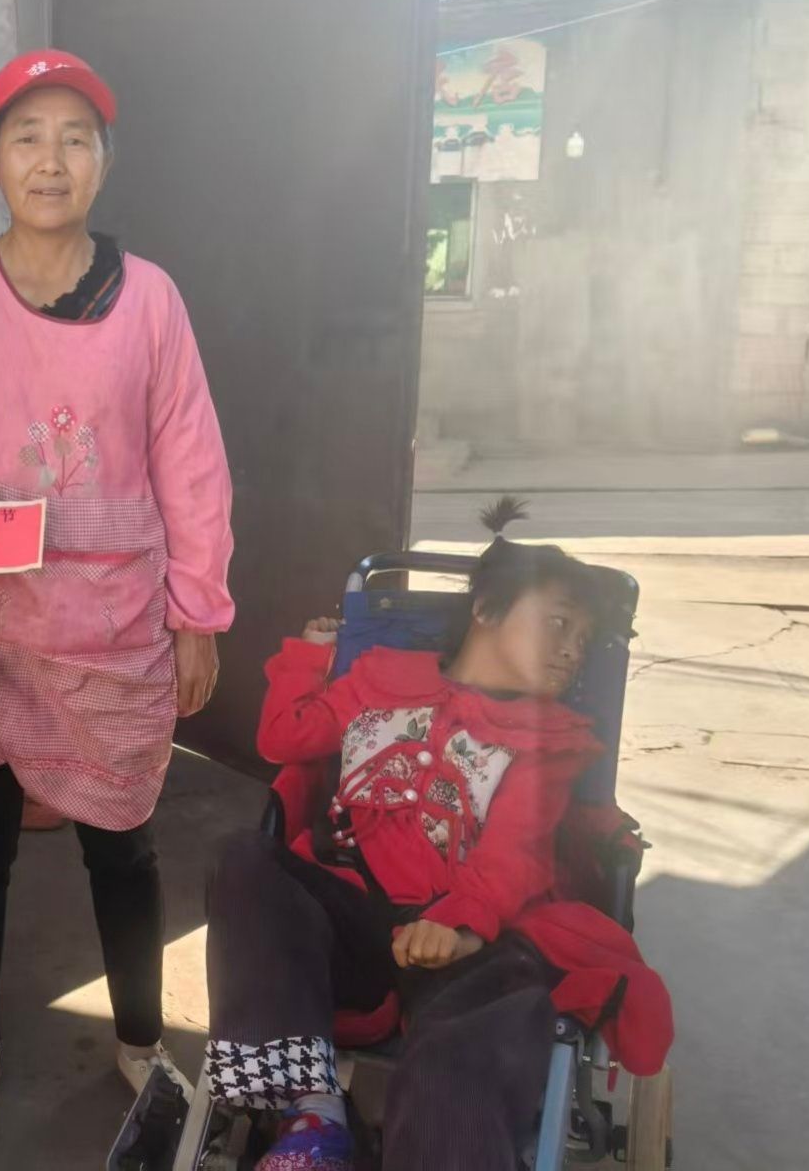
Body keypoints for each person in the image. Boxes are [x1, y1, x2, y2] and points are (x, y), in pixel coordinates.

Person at [0, 48, 235, 1166]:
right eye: (28, 136)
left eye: (75, 137)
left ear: (105, 160)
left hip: (114, 630)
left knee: (122, 848)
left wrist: (196, 611)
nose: (51, 159)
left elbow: (191, 464)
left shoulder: (150, 299)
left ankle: (139, 1039)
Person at [203, 501, 672, 1171]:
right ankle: (313, 1115)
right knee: (246, 859)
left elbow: (514, 853)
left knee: (469, 1044)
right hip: (354, 919)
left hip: (477, 937)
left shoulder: (548, 741)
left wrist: (461, 927)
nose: (572, 649)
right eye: (558, 622)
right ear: (486, 609)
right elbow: (284, 739)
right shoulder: (378, 680)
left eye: (582, 637)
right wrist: (309, 659)